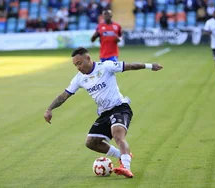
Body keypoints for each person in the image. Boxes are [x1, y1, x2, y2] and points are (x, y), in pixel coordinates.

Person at [44, 47, 163, 178]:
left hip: (120, 107)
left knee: (117, 134)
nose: (78, 67)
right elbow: (64, 96)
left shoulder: (106, 66)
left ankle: (126, 167)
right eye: (75, 65)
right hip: (104, 113)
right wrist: (49, 109)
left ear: (88, 58)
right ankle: (122, 155)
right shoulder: (79, 79)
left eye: (79, 63)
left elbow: (130, 66)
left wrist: (150, 66)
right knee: (91, 142)